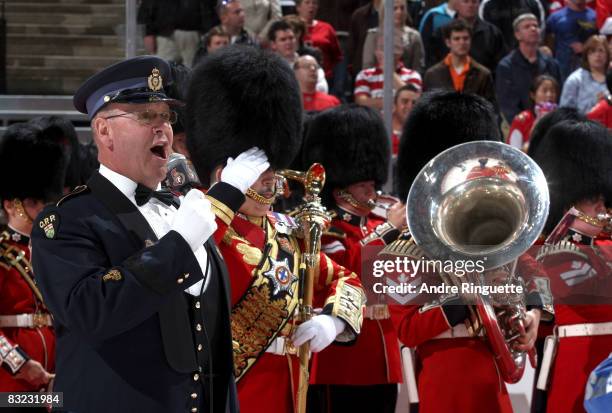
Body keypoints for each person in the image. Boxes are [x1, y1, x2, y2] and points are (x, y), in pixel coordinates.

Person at [31, 55, 268, 413]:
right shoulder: (66, 221)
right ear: (104, 131)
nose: (163, 128)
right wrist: (179, 243)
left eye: (166, 116)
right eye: (146, 116)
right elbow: (91, 312)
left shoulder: (181, 209)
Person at [185, 45, 366, 413]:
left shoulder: (286, 232)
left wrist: (333, 321)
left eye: (274, 178)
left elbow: (345, 279)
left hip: (288, 385)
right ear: (228, 175)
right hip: (233, 387)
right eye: (261, 179)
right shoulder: (205, 225)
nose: (272, 189)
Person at [387, 90, 552, 413]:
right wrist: (466, 298)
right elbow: (408, 328)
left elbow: (534, 271)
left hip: (493, 375)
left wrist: (534, 312)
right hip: (444, 377)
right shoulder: (405, 249)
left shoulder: (491, 232)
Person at [302, 104, 404, 413]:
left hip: (382, 354)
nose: (372, 190)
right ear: (339, 190)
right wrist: (389, 230)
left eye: (373, 184)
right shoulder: (328, 228)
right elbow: (350, 272)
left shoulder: (376, 225)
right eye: (363, 185)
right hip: (343, 356)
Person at [531, 119, 612, 413]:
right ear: (569, 203)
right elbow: (591, 288)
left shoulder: (604, 245)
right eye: (593, 200)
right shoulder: (557, 253)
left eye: (604, 199)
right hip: (580, 368)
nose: (602, 208)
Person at [0, 123, 65, 403]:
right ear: (11, 205)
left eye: (44, 201)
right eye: (33, 202)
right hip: (11, 382)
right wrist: (21, 364)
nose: (42, 209)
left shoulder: (54, 251)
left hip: (55, 378)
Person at [496, 13, 562, 123]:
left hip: (550, 123)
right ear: (517, 35)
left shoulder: (552, 64)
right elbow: (508, 105)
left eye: (536, 26)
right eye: (527, 27)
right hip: (521, 124)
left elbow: (559, 97)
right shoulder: (506, 66)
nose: (533, 29)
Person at [423, 18, 497, 109]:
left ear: (471, 41)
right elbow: (426, 109)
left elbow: (491, 109)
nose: (462, 43)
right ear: (448, 43)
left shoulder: (483, 75)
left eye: (465, 38)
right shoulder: (432, 75)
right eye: (456, 39)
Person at [354, 32, 422, 111]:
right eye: (379, 48)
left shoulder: (413, 75)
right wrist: (398, 103)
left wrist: (389, 72)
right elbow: (361, 102)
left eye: (386, 48)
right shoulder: (364, 75)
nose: (380, 53)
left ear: (399, 52)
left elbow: (413, 98)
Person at [362, 0, 426, 74]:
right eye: (394, 8)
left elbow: (418, 70)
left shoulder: (414, 37)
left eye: (402, 8)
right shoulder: (373, 35)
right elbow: (367, 68)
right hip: (377, 82)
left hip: (406, 83)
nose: (399, 12)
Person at [546, 0, 597, 81]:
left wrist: (585, 48)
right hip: (561, 69)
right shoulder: (555, 18)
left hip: (589, 69)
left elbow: (602, 44)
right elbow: (547, 42)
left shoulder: (595, 17)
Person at [560, 34, 610, 113]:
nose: (597, 55)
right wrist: (596, 105)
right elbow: (564, 113)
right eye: (593, 51)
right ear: (586, 56)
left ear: (607, 55)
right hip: (583, 124)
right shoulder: (575, 80)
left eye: (601, 50)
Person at [507, 74, 559, 151]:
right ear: (533, 95)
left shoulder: (560, 119)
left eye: (553, 91)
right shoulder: (522, 120)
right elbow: (514, 152)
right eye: (544, 91)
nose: (549, 95)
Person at [392, 84, 421, 155]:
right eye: (405, 101)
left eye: (414, 103)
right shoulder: (383, 130)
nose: (409, 106)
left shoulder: (422, 134)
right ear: (394, 105)